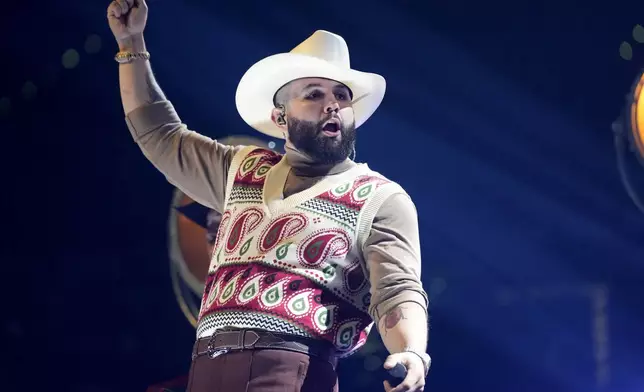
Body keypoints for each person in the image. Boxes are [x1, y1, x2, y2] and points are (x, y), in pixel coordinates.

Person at [107, 0, 431, 391]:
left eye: (342, 96)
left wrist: (412, 351)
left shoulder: (379, 197)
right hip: (206, 369)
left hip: (293, 369)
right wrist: (131, 45)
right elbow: (159, 134)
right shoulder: (242, 169)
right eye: (314, 93)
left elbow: (398, 290)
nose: (332, 103)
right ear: (280, 119)